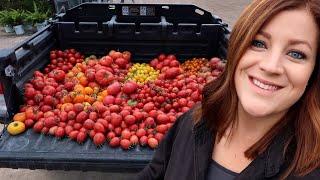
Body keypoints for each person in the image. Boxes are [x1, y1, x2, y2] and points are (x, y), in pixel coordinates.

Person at [135, 0, 320, 179]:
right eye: (258, 43)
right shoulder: (194, 122)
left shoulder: (310, 171)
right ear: (237, 46)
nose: (271, 66)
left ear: (314, 70)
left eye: (296, 54)